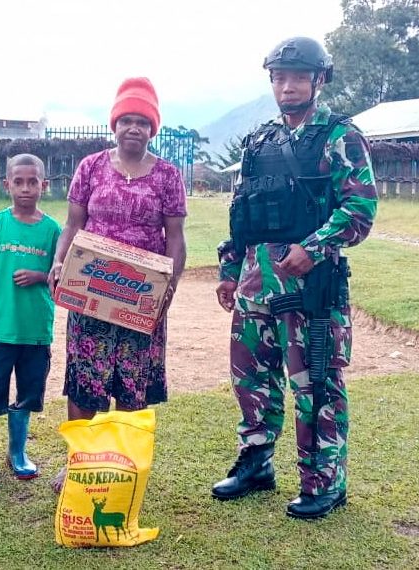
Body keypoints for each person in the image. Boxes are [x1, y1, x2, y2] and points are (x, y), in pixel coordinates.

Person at [211, 37, 378, 520]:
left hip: (311, 286)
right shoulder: (258, 140)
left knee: (316, 383)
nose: (287, 86)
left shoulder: (339, 137)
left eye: (298, 76)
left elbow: (361, 209)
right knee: (251, 378)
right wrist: (229, 269)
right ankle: (257, 462)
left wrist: (315, 246)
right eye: (279, 77)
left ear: (319, 80)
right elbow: (241, 212)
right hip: (254, 283)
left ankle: (324, 480)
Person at [48, 77, 188, 492]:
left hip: (141, 298)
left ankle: (123, 466)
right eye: (125, 119)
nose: (133, 128)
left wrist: (169, 287)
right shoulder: (90, 167)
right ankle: (80, 464)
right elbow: (74, 224)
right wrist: (59, 262)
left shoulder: (167, 175)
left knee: (133, 380)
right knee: (85, 380)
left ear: (152, 128)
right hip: (91, 292)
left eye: (142, 122)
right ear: (114, 125)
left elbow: (175, 238)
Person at [0, 154, 61, 490]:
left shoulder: (53, 231)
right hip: (0, 330)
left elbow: (61, 277)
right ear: (7, 184)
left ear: (43, 186)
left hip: (35, 331)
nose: (25, 188)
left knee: (28, 393)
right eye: (18, 182)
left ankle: (17, 453)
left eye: (32, 181)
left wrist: (40, 275)